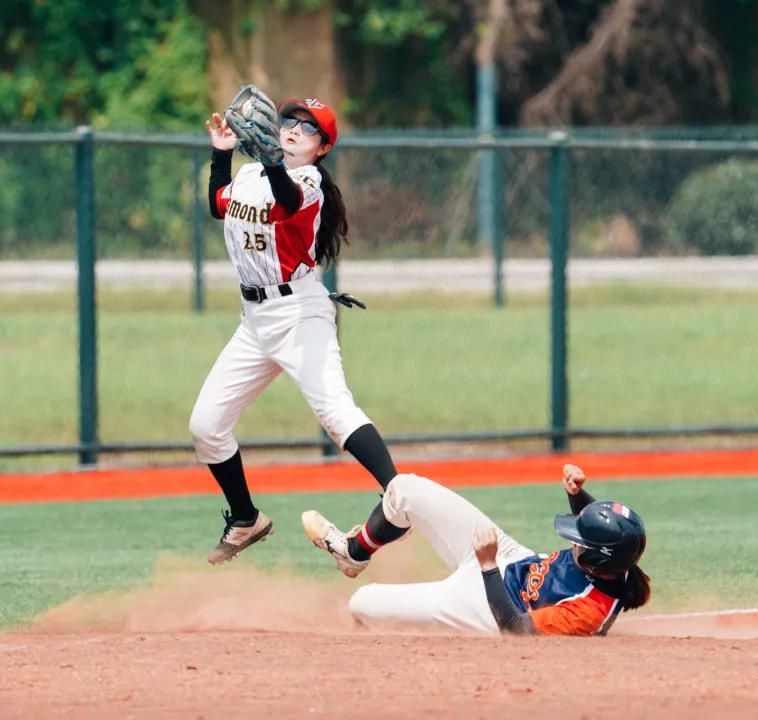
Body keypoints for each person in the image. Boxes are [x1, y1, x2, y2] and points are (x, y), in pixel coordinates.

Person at [192, 90, 399, 564]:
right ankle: (246, 519)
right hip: (254, 322)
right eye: (288, 119)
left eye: (308, 128)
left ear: (323, 148)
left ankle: (397, 494)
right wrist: (221, 154)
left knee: (335, 413)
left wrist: (269, 158)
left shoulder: (308, 181)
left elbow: (284, 201)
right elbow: (216, 204)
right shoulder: (249, 176)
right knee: (206, 427)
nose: (292, 129)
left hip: (300, 313)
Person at [301, 464, 651, 636]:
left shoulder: (587, 613)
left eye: (580, 541)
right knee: (405, 488)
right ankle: (354, 551)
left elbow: (515, 629)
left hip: (486, 608)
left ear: (596, 560)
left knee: (362, 602)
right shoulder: (613, 559)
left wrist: (486, 565)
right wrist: (577, 497)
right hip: (514, 557)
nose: (573, 541)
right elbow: (603, 538)